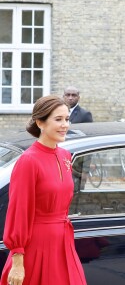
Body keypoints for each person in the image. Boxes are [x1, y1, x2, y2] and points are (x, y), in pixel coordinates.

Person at [0, 95, 87, 285]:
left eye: (66, 119)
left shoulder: (65, 156)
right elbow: (18, 212)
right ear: (40, 122)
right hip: (37, 246)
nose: (65, 125)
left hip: (63, 243)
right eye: (58, 119)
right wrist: (17, 261)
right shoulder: (28, 161)